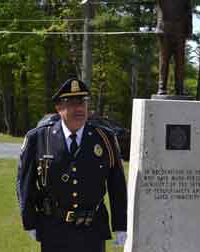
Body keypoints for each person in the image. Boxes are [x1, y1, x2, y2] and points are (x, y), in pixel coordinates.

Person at [16, 78, 127, 252]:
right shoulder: (38, 138)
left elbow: (117, 184)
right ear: (59, 108)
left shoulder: (104, 138)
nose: (80, 108)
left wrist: (120, 224)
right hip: (54, 229)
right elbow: (25, 184)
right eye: (72, 103)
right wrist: (29, 221)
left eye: (83, 102)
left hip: (93, 229)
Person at [142, 0, 193, 96]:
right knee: (164, 61)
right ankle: (162, 88)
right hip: (164, 31)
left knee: (180, 63)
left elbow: (189, 13)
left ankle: (179, 89)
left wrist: (189, 31)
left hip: (179, 32)